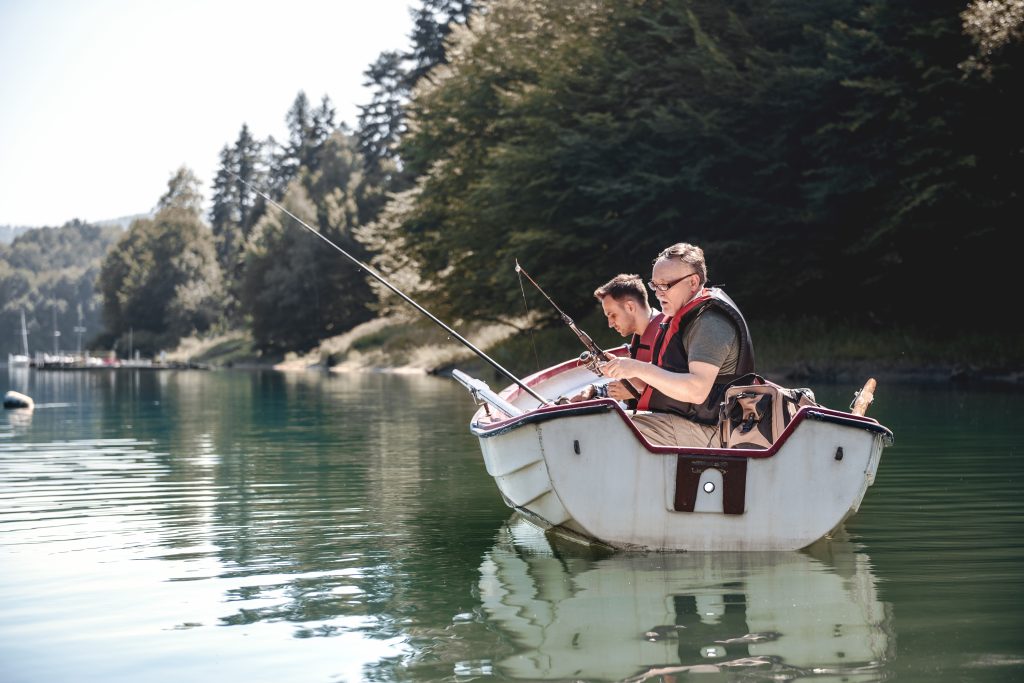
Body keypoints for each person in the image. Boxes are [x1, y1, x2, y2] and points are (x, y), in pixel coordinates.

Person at [600, 242, 754, 448]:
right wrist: (628, 372)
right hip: (689, 422)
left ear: (693, 282)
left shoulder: (709, 324)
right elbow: (669, 381)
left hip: (716, 432)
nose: (658, 293)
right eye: (654, 285)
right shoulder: (685, 318)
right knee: (605, 420)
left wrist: (637, 367)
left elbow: (696, 391)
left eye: (665, 285)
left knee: (605, 429)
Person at [571, 274, 665, 404]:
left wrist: (638, 391)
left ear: (630, 307)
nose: (610, 324)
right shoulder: (639, 338)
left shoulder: (670, 335)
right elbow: (630, 385)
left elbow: (684, 387)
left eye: (613, 315)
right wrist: (594, 390)